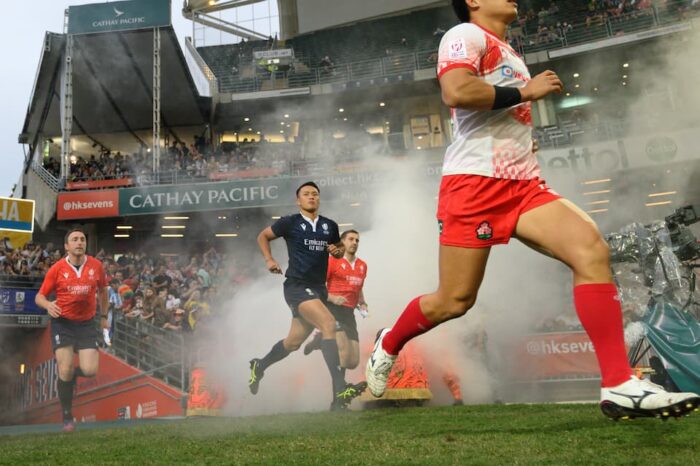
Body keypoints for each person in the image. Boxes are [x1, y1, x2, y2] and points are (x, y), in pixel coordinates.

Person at [366, 0, 700, 420]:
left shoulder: (510, 53)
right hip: (474, 185)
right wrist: (526, 92)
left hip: (523, 185)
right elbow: (456, 91)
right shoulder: (464, 36)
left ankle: (619, 384)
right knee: (454, 301)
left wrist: (523, 138)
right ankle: (389, 342)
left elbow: (499, 115)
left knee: (590, 250)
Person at [249, 182, 367, 411]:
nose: (311, 197)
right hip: (296, 286)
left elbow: (339, 251)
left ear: (319, 199)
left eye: (315, 194)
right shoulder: (289, 222)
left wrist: (338, 251)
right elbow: (262, 236)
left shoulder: (330, 226)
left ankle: (259, 365)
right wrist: (269, 260)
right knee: (328, 324)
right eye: (306, 194)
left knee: (292, 343)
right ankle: (340, 390)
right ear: (298, 200)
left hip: (318, 289)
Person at [35, 226, 108, 432]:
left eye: (82, 239)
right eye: (75, 239)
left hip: (86, 323)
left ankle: (72, 378)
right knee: (64, 369)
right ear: (67, 246)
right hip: (63, 322)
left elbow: (103, 291)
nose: (79, 242)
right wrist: (49, 305)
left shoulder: (96, 266)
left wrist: (103, 317)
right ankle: (67, 415)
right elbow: (39, 297)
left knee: (90, 370)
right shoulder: (57, 269)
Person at [304, 230, 368, 380]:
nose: (354, 243)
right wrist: (332, 298)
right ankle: (338, 397)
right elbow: (316, 285)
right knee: (344, 356)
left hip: (349, 313)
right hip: (332, 310)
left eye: (357, 240)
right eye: (351, 239)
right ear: (342, 242)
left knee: (353, 362)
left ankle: (320, 339)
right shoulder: (332, 261)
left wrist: (362, 303)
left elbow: (358, 287)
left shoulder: (362, 265)